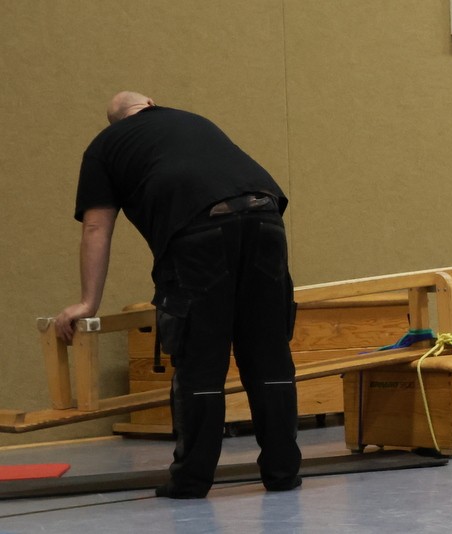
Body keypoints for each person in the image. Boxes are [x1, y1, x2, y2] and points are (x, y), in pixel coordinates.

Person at [54, 91, 302, 498]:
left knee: (200, 359)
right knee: (269, 355)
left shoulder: (105, 146)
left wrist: (87, 302)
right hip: (266, 216)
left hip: (198, 231)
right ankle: (283, 474)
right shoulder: (192, 120)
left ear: (116, 122)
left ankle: (191, 480)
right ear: (150, 104)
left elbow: (96, 227)